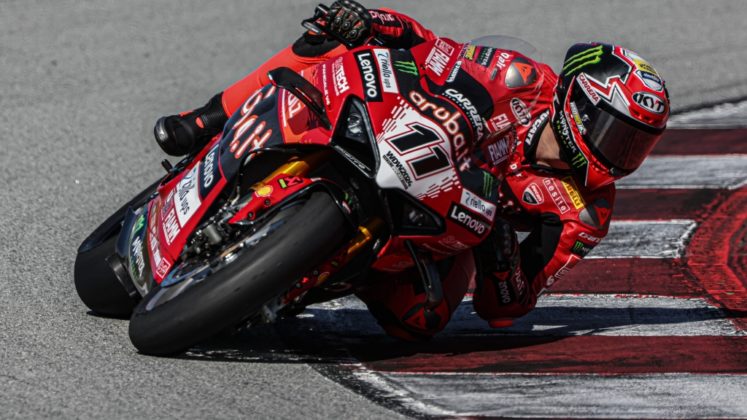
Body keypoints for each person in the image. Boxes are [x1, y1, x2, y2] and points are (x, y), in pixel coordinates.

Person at [153, 1, 670, 340]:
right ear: (577, 104)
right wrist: (371, 22)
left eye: (637, 146)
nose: (623, 155)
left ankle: (323, 268)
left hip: (448, 227)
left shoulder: (586, 213)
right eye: (618, 134)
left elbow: (506, 306)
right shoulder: (519, 77)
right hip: (408, 137)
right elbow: (433, 49)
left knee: (422, 320)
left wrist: (502, 253)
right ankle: (204, 119)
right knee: (331, 40)